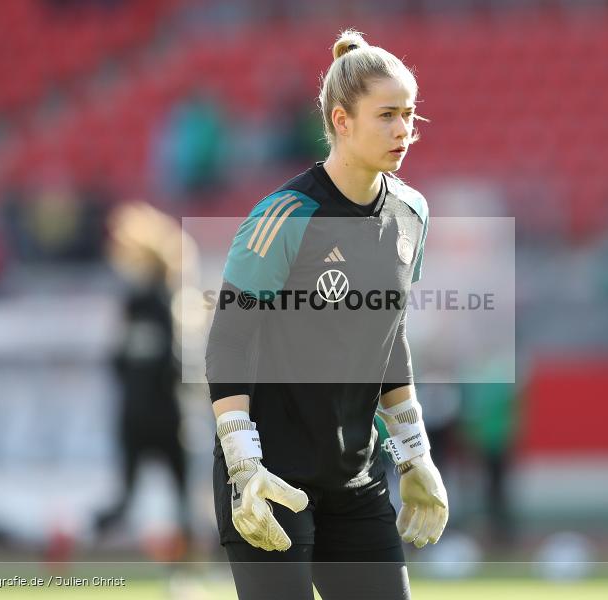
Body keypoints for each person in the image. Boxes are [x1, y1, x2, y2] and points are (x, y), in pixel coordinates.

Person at [205, 30, 448, 600]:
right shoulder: (285, 216)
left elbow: (389, 338)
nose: (402, 130)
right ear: (341, 121)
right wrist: (243, 464)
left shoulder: (412, 213)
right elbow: (228, 342)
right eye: (386, 115)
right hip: (271, 478)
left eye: (409, 114)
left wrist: (414, 454)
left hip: (355, 479)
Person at [95, 203, 194, 549]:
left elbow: (168, 362)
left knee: (172, 498)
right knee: (158, 496)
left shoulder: (165, 302)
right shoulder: (141, 302)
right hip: (153, 412)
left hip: (151, 413)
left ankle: (190, 554)